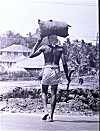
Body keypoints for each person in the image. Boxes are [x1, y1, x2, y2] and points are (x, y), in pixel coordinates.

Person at [29, 35, 69, 122]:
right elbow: (65, 64)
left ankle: (46, 111)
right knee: (54, 93)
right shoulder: (60, 49)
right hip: (56, 70)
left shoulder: (44, 48)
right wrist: (67, 76)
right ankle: (51, 115)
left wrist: (38, 42)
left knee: (44, 91)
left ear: (48, 39)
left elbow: (31, 55)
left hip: (47, 69)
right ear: (56, 39)